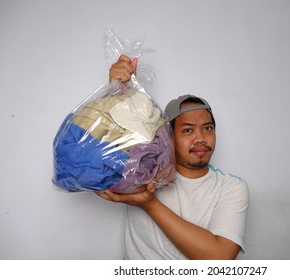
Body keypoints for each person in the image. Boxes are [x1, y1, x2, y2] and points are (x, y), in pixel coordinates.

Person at [96, 55, 249, 260]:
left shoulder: (231, 187)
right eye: (187, 130)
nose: (201, 138)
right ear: (167, 136)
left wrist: (149, 204)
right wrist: (117, 93)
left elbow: (219, 257)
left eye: (208, 128)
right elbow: (99, 158)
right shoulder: (142, 172)